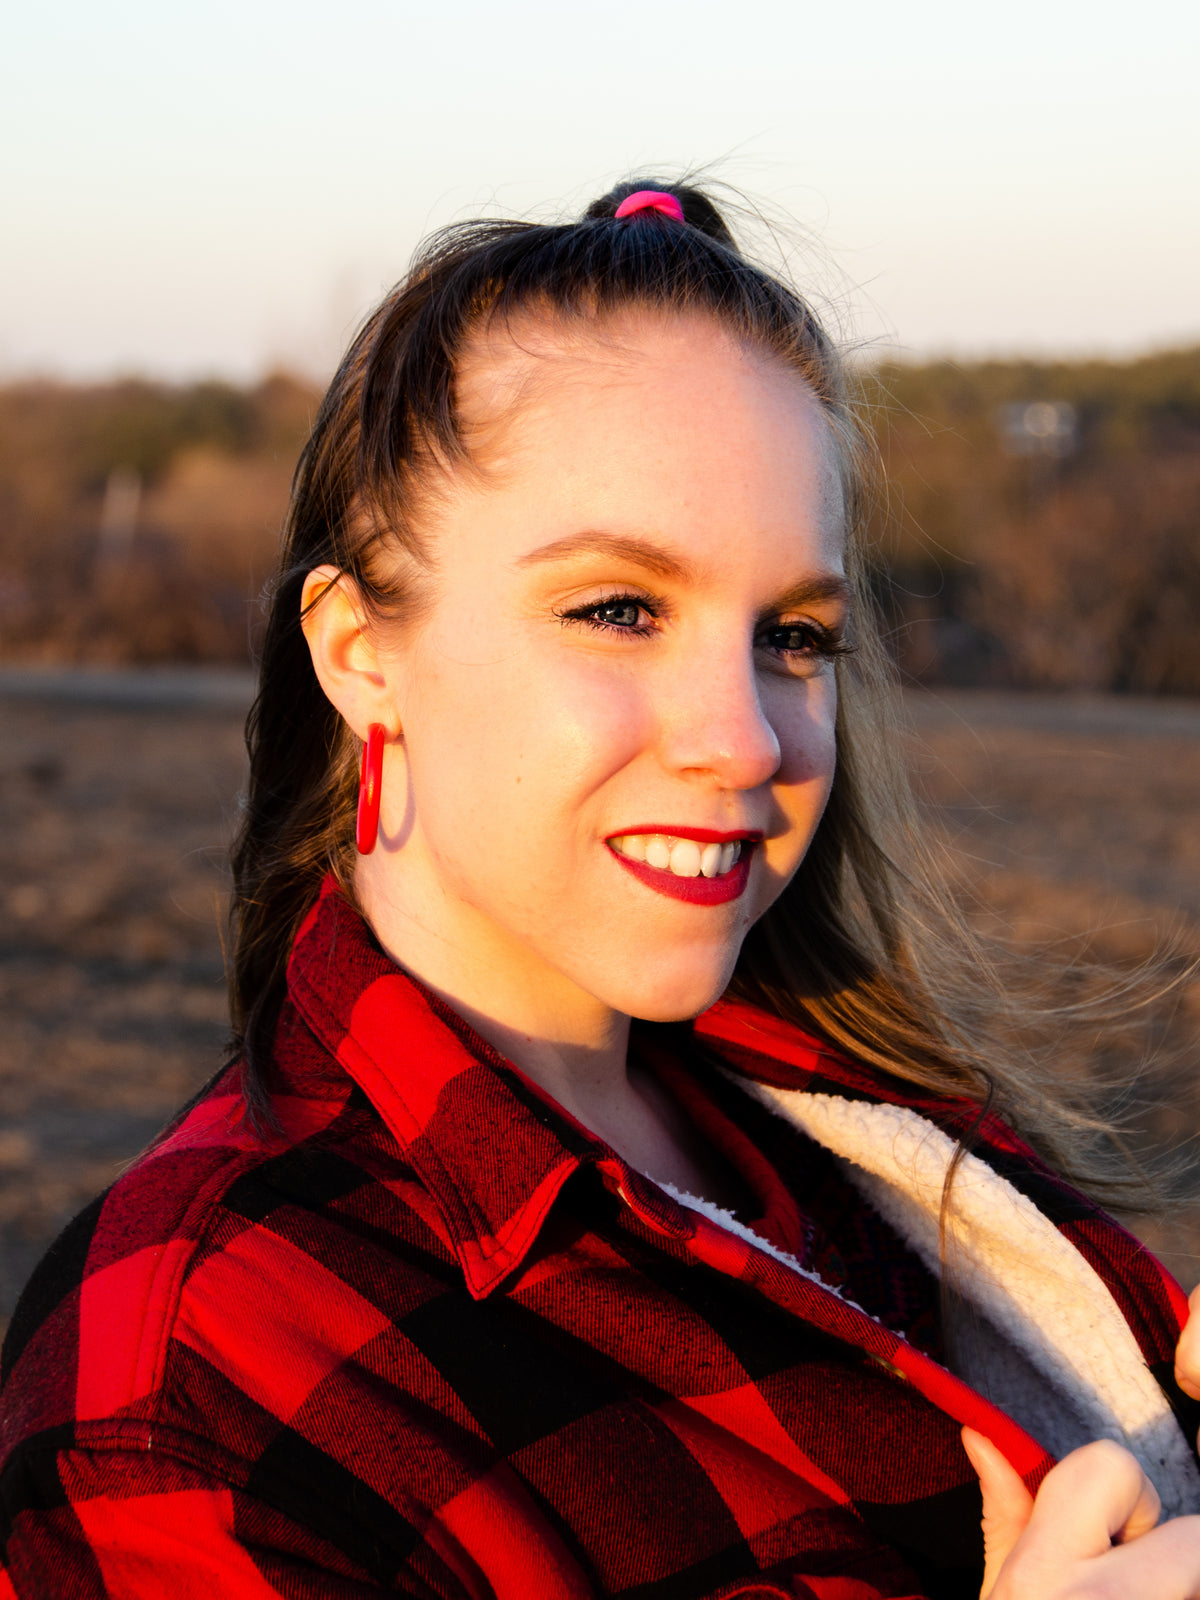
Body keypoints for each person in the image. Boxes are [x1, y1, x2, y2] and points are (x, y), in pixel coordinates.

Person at [2, 178, 1200, 1600]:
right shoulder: (188, 1391)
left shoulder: (860, 1139)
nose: (747, 738)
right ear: (359, 651)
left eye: (794, 634)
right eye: (619, 610)